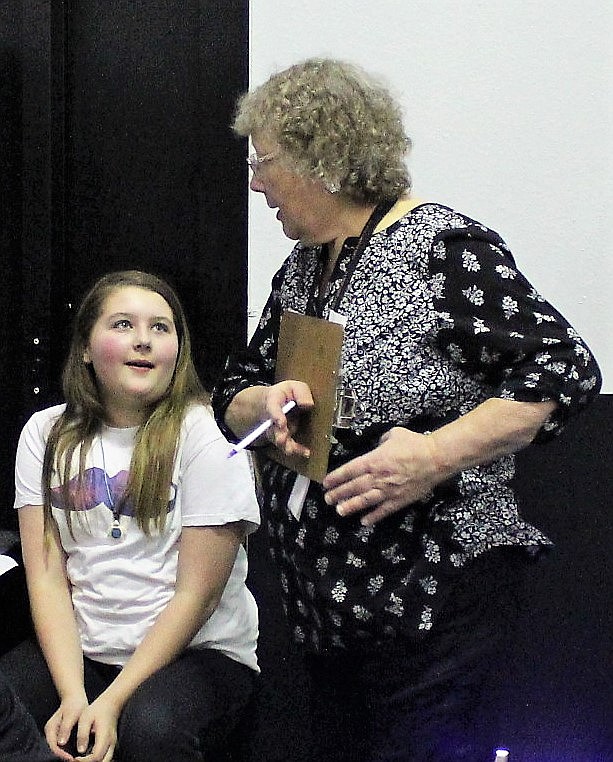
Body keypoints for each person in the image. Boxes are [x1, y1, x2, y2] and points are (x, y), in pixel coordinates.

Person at [211, 58, 602, 761]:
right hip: (329, 608)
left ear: (321, 159)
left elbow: (563, 369)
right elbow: (232, 388)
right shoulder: (306, 265)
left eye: (263, 161)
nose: (255, 182)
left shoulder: (442, 249)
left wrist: (431, 457)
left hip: (433, 590)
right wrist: (260, 404)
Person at [0, 270, 260, 762]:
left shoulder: (205, 434)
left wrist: (112, 703)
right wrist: (74, 696)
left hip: (195, 655)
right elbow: (49, 578)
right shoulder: (45, 432)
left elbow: (195, 597)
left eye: (161, 328)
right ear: (84, 347)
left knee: (150, 730)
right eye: (123, 324)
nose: (143, 341)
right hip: (85, 651)